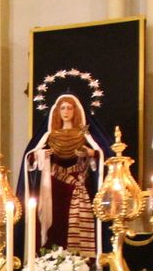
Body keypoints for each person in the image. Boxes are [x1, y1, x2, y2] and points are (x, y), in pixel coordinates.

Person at [22, 93, 103, 261]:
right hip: (55, 187)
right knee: (57, 222)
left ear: (75, 111)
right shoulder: (50, 136)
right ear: (57, 112)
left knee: (76, 221)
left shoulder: (83, 135)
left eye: (69, 108)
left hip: (78, 185)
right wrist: (40, 154)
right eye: (63, 108)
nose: (66, 112)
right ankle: (52, 261)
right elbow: (29, 158)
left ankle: (79, 263)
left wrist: (91, 153)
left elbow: (101, 156)